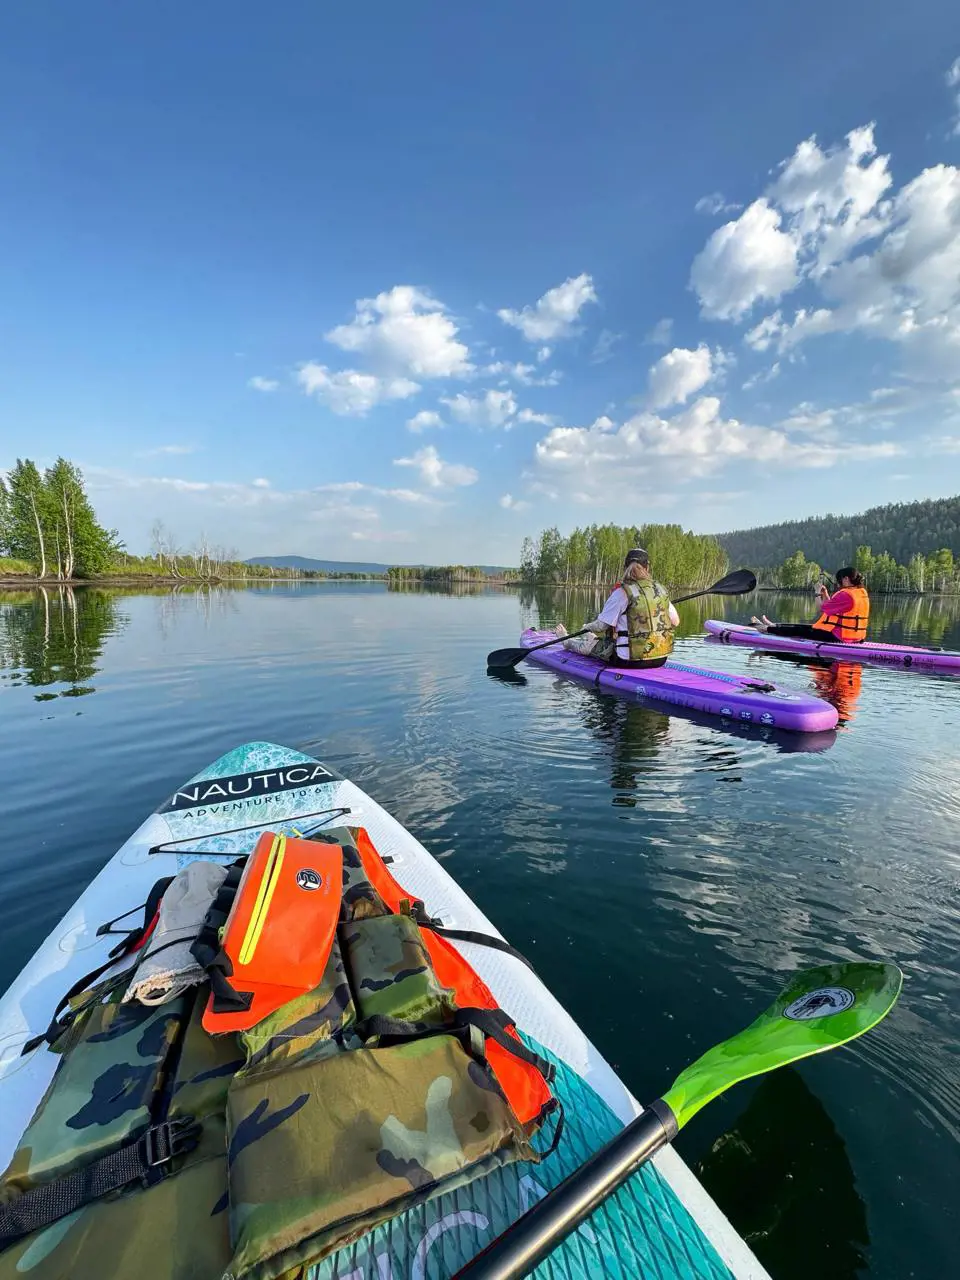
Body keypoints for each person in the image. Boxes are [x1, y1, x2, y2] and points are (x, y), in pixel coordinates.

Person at [552, 548, 680, 668]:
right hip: (660, 659)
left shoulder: (622, 593)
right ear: (647, 568)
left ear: (624, 568)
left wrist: (586, 627)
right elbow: (675, 621)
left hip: (628, 660)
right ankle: (589, 638)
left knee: (591, 645)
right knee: (606, 640)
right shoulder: (661, 591)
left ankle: (567, 642)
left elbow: (601, 626)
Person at [752, 567, 870, 643]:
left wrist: (817, 593)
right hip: (856, 637)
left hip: (839, 637)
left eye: (839, 580)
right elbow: (830, 609)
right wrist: (825, 594)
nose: (839, 583)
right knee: (805, 627)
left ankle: (766, 629)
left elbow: (821, 609)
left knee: (800, 630)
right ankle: (773, 626)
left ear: (846, 579)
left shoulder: (846, 595)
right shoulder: (861, 593)